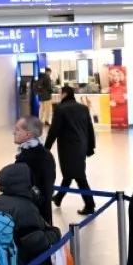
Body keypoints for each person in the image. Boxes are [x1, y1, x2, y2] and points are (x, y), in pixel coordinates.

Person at [45, 86, 97, 215]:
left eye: (61, 93)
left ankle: (90, 204)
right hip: (81, 146)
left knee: (79, 176)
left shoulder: (60, 109)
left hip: (68, 148)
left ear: (65, 94)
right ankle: (59, 197)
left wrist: (46, 148)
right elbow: (90, 129)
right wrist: (90, 147)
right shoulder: (83, 108)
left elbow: (53, 131)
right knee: (69, 174)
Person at [14, 115, 57, 225]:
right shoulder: (47, 154)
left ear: (28, 134)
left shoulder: (27, 158)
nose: (14, 132)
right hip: (45, 213)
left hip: (31, 218)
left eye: (18, 129)